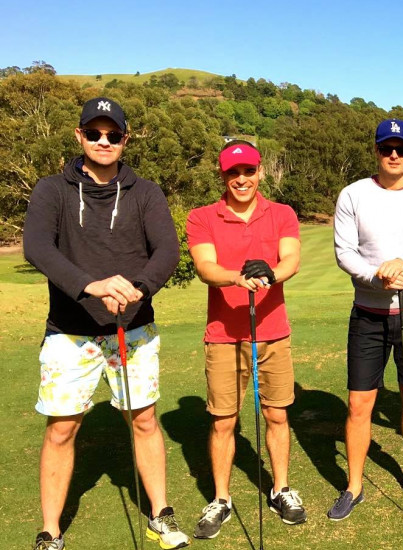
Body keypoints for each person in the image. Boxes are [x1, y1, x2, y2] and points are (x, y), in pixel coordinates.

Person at [24, 97, 189, 550]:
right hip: (69, 333)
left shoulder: (146, 192)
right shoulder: (51, 190)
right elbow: (38, 248)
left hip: (133, 330)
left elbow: (167, 252)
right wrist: (90, 284)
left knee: (144, 420)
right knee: (61, 428)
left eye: (112, 134)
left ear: (124, 139)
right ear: (79, 136)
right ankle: (51, 530)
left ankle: (160, 513)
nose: (103, 141)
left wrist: (139, 286)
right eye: (94, 133)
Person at [329, 119, 403, 520]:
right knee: (359, 402)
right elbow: (344, 252)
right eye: (386, 148)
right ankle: (354, 485)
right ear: (376, 151)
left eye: (401, 148)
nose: (393, 155)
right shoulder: (353, 194)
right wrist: (376, 275)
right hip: (367, 313)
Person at [186, 140, 305, 539]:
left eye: (248, 171)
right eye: (232, 173)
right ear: (223, 175)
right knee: (224, 421)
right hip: (223, 335)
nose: (241, 179)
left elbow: (291, 260)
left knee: (277, 414)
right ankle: (221, 499)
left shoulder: (282, 213)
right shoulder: (202, 217)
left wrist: (270, 272)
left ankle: (281, 489)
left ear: (260, 172)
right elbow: (205, 267)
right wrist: (238, 277)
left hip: (272, 331)